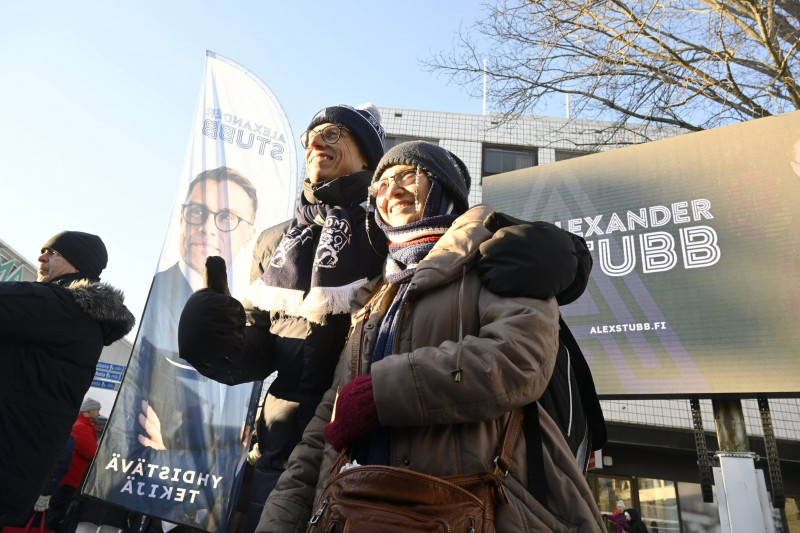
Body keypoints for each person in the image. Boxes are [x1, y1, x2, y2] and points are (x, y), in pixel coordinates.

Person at [255, 141, 604, 531]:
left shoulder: (498, 257)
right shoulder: (376, 296)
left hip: (476, 510)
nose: (392, 191)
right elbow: (325, 428)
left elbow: (518, 360)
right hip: (355, 513)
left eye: (409, 176)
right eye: (381, 185)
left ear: (444, 189)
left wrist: (379, 394)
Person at [180, 103, 389, 533]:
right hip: (282, 444)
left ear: (367, 154)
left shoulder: (388, 228)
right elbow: (260, 344)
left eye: (333, 133)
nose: (316, 142)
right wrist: (218, 341)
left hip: (366, 443)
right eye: (310, 134)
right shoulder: (277, 240)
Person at [81, 167, 260, 529]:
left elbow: (239, 448)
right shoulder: (153, 310)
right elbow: (129, 442)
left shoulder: (260, 318)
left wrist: (177, 452)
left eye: (227, 217)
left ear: (250, 232)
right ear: (182, 220)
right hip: (145, 508)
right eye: (197, 213)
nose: (208, 227)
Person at [0, 231, 135, 528]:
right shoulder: (71, 313)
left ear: (77, 263)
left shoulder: (62, 307)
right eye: (42, 250)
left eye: (53, 253)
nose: (41, 257)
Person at [47, 398, 102, 532]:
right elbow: (91, 453)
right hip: (70, 481)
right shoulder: (81, 428)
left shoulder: (84, 427)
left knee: (60, 516)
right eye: (97, 410)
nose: (99, 414)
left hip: (71, 480)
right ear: (89, 411)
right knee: (59, 517)